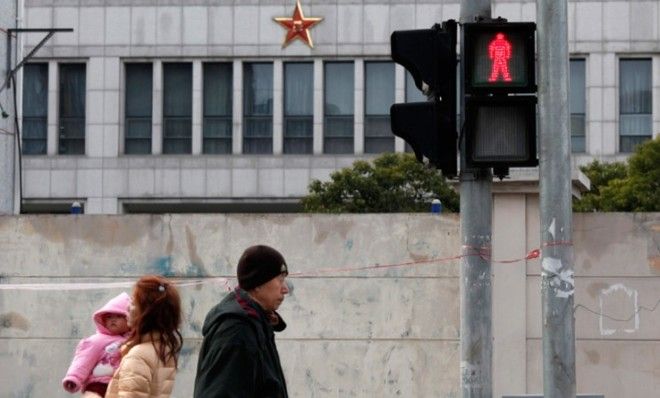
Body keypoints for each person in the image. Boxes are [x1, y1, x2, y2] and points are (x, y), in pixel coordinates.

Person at [194, 244, 291, 398]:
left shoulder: (257, 322)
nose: (285, 289)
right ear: (258, 284)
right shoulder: (236, 331)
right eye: (280, 279)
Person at [105, 275, 183, 398]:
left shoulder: (138, 355)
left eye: (133, 303)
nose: (127, 308)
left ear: (147, 312)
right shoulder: (163, 349)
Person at [62, 292, 132, 398]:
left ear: (129, 319)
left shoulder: (133, 341)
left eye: (119, 316)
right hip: (99, 385)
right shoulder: (97, 340)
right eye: (109, 317)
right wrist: (74, 377)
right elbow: (83, 360)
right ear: (103, 320)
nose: (113, 320)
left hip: (121, 387)